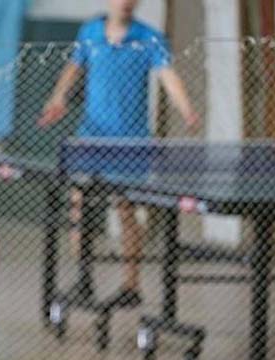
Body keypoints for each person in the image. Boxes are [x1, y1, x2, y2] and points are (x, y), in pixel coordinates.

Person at [38, 0, 199, 307]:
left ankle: (131, 286)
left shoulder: (149, 37)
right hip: (92, 139)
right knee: (79, 205)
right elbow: (73, 68)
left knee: (126, 210)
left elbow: (168, 75)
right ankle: (84, 278)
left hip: (131, 142)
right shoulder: (90, 32)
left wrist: (186, 109)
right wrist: (58, 98)